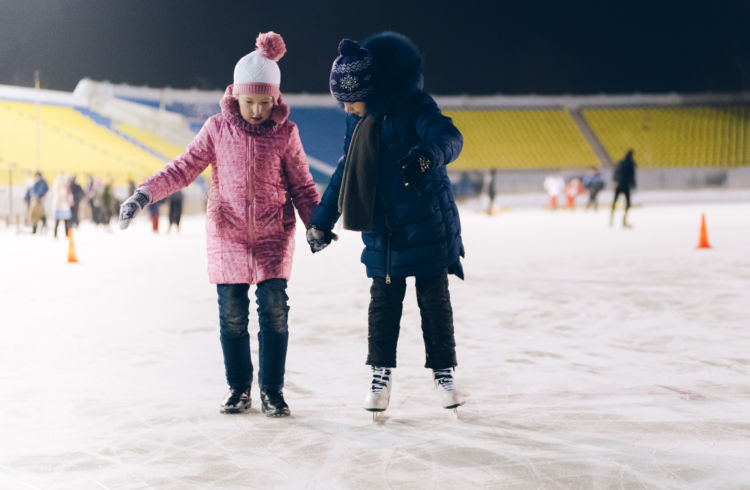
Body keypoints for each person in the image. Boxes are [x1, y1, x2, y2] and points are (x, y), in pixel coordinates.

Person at [119, 32, 320, 417]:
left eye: (265, 102)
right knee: (232, 316)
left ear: (276, 99)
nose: (257, 110)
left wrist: (317, 224)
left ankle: (272, 391)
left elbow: (302, 185)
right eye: (249, 102)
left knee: (274, 311)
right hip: (227, 235)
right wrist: (144, 194)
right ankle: (238, 387)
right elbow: (183, 168)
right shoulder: (216, 129)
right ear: (234, 96)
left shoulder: (286, 133)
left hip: (273, 235)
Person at [307, 33, 465, 415]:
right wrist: (321, 221)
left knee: (434, 303)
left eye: (350, 100)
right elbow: (347, 170)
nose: (346, 109)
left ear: (372, 90)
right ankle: (380, 375)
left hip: (426, 224)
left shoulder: (416, 107)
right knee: (383, 307)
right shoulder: (358, 121)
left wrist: (427, 156)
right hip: (384, 232)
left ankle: (444, 373)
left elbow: (449, 137)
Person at [610, 149, 637, 227]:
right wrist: (633, 186)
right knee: (628, 203)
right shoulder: (631, 164)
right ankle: (624, 220)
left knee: (615, 201)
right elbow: (632, 176)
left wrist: (615, 181)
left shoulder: (620, 162)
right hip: (626, 185)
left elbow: (615, 173)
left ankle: (611, 218)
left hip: (618, 185)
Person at [50, 173, 73, 238]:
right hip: (60, 205)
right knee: (60, 221)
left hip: (62, 206)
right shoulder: (59, 186)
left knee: (62, 221)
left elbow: (69, 195)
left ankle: (65, 235)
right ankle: (63, 235)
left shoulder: (62, 186)